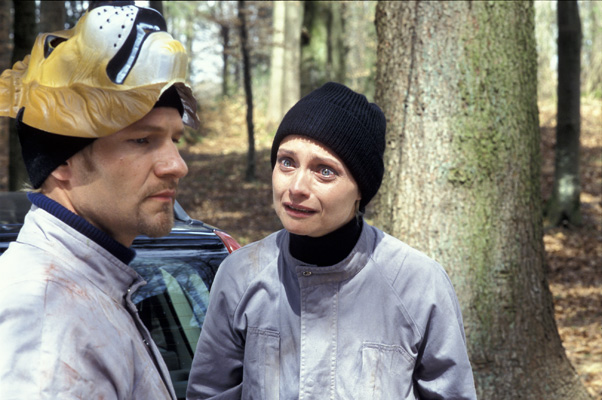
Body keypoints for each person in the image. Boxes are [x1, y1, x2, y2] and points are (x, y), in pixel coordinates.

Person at [187, 82, 477, 399]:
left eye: (324, 171)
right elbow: (210, 392)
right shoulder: (241, 275)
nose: (296, 186)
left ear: (361, 190)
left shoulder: (419, 284)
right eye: (287, 162)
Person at [0, 2, 199, 398]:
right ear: (62, 163)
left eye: (174, 139)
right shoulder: (48, 324)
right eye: (142, 140)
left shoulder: (89, 285)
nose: (177, 166)